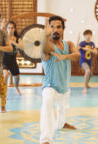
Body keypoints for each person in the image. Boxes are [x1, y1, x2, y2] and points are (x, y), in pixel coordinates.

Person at [40, 16, 80, 144]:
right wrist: (45, 37)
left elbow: (77, 55)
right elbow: (44, 51)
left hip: (64, 87)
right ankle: (46, 139)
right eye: (52, 27)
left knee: (59, 123)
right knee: (47, 104)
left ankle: (62, 124)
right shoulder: (49, 46)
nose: (55, 29)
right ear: (48, 29)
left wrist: (65, 56)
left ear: (63, 29)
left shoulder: (69, 44)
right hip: (50, 86)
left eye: (58, 27)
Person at [2, 21, 24, 98]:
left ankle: (16, 87)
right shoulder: (4, 37)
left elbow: (22, 47)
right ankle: (3, 91)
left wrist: (13, 42)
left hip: (12, 60)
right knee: (6, 74)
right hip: (4, 59)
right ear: (7, 29)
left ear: (14, 29)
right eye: (9, 28)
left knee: (17, 77)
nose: (10, 29)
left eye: (12, 28)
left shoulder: (18, 39)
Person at [77, 30, 98, 94]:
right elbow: (76, 49)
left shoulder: (92, 44)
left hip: (89, 61)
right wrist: (78, 40)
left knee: (90, 74)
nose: (88, 36)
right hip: (83, 60)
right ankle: (85, 88)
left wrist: (89, 49)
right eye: (87, 35)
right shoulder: (82, 43)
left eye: (89, 34)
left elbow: (96, 52)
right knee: (88, 71)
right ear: (84, 36)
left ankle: (87, 84)